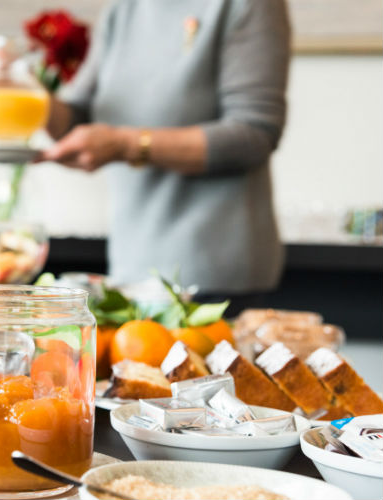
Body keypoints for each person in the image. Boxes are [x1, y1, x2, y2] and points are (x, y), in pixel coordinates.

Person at [43, 0, 291, 305]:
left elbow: (254, 134)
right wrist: (23, 91)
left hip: (215, 276)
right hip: (131, 271)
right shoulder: (124, 10)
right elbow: (76, 121)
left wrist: (126, 144)